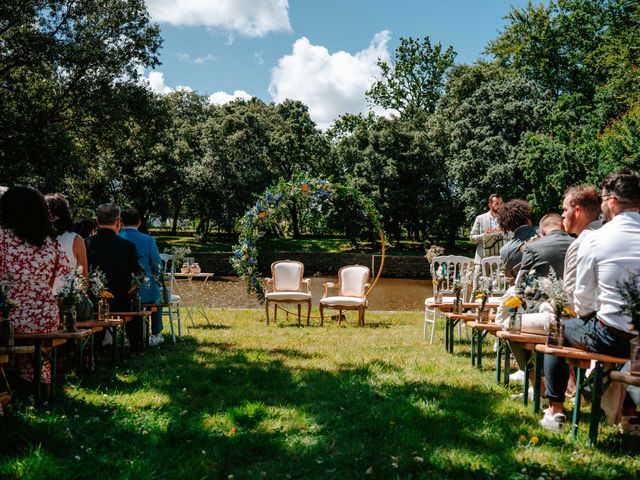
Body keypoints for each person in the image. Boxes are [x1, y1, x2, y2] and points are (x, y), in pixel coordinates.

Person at [540, 168, 640, 432]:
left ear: (612, 201)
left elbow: (582, 302)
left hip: (613, 338)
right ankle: (630, 416)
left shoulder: (596, 240)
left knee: (558, 328)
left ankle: (555, 411)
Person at [0, 186, 71, 385]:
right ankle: (37, 380)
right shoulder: (52, 243)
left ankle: (9, 384)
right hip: (44, 317)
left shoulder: (2, 238)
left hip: (9, 318)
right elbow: (55, 281)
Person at [85, 203, 142, 351]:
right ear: (118, 222)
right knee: (135, 304)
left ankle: (96, 346)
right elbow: (137, 272)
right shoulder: (128, 246)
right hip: (121, 300)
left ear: (97, 221)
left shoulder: (87, 243)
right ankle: (136, 347)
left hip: (94, 300)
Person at [119, 208, 165, 346]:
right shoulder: (148, 239)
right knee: (157, 293)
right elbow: (157, 264)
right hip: (146, 291)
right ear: (139, 223)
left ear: (120, 222)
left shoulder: (117, 238)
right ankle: (156, 333)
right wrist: (159, 279)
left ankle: (128, 335)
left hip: (121, 291)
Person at [515, 213, 574, 285]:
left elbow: (520, 284)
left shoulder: (532, 247)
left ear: (542, 232)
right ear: (562, 226)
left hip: (544, 295)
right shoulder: (579, 243)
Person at [496, 199, 538, 279]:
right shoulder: (545, 232)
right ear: (528, 220)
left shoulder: (505, 251)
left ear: (508, 227)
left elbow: (510, 280)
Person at [470, 194, 504, 265]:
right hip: (481, 260)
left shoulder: (505, 219)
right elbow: (472, 239)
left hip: (499, 261)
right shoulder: (480, 218)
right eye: (496, 204)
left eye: (501, 203)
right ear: (490, 205)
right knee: (478, 276)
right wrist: (485, 235)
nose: (500, 206)